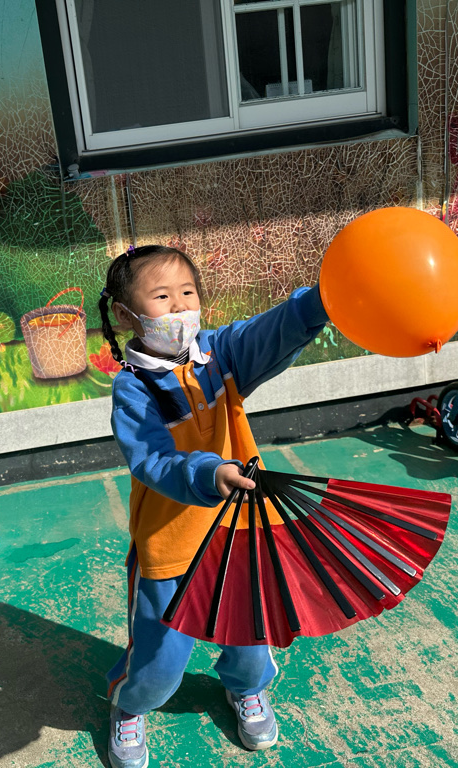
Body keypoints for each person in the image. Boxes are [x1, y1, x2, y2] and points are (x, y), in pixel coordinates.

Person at [98, 244, 330, 768]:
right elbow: (152, 459)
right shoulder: (133, 389)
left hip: (238, 533)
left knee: (250, 638)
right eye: (162, 297)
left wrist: (321, 301)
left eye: (188, 293)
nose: (180, 307)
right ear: (126, 314)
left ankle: (247, 688)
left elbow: (274, 330)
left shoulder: (221, 354)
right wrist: (208, 473)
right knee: (158, 661)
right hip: (170, 546)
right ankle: (130, 705)